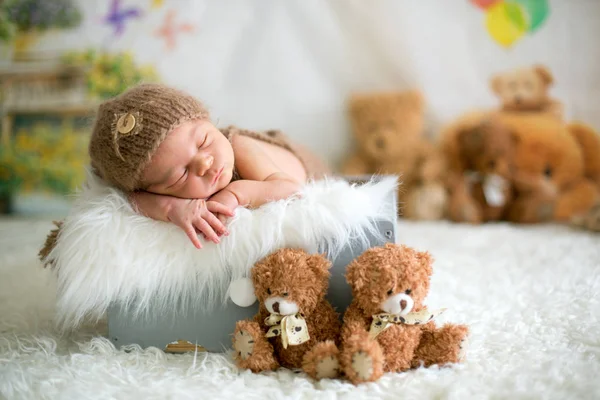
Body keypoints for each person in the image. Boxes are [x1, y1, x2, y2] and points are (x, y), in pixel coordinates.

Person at [41, 83, 330, 259]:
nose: (204, 164)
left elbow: (291, 189)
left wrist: (236, 193)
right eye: (180, 175)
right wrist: (170, 209)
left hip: (305, 163)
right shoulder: (151, 191)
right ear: (153, 188)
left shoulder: (238, 146)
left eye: (204, 140)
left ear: (207, 121)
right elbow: (130, 201)